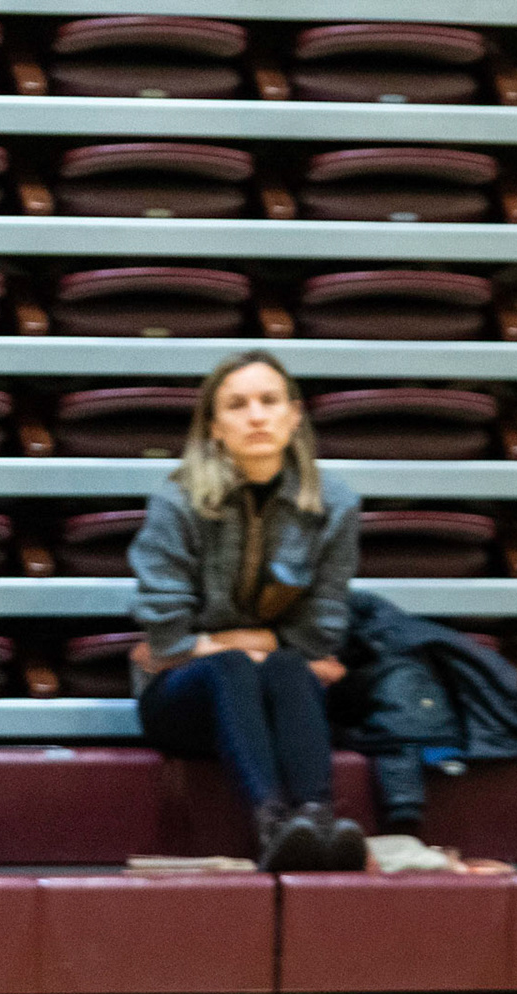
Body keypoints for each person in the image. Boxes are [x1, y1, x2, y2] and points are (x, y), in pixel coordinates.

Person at [129, 350, 367, 872]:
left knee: (282, 666)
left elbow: (320, 632)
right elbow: (167, 632)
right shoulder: (178, 500)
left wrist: (233, 644)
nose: (256, 416)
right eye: (237, 405)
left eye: (269, 401)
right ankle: (273, 827)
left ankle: (315, 823)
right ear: (214, 427)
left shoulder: (335, 503)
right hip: (181, 702)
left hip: (280, 690)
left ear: (294, 416)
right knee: (237, 668)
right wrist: (246, 648)